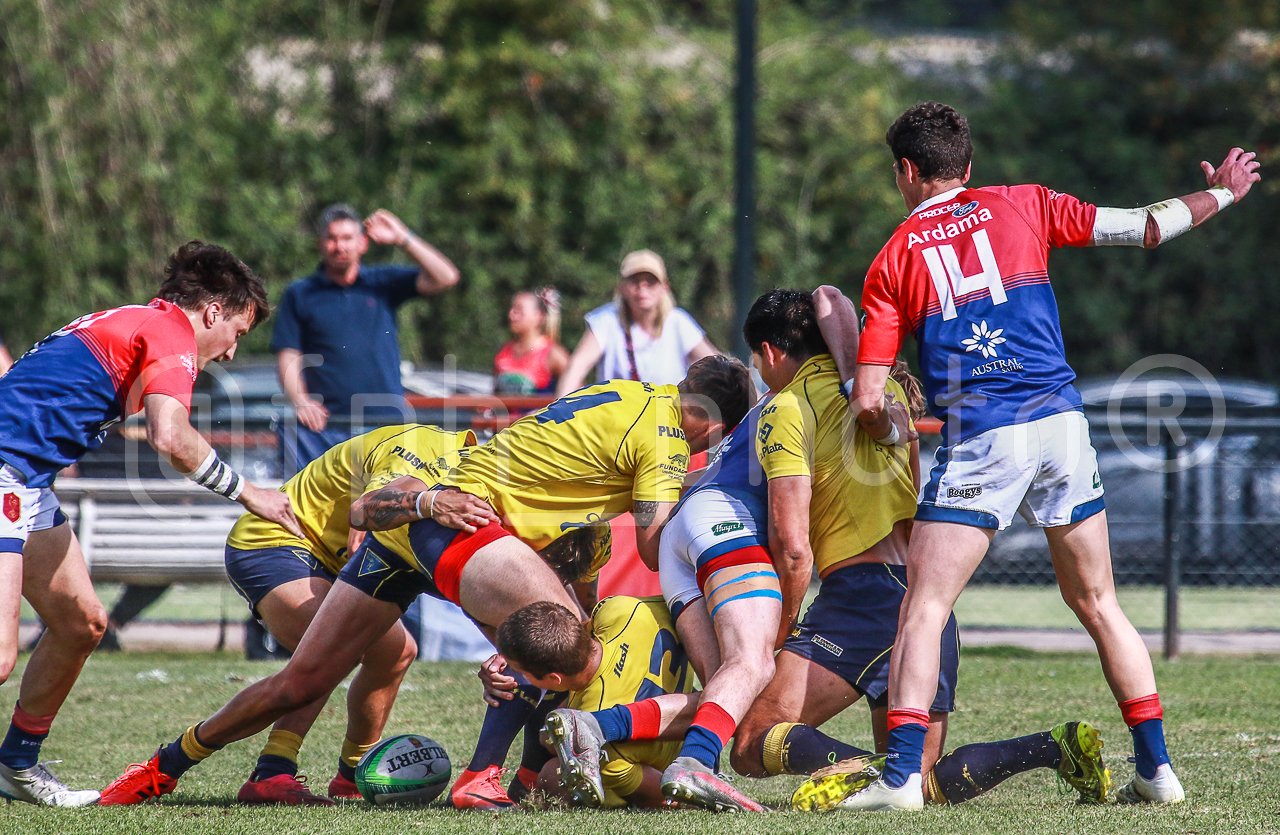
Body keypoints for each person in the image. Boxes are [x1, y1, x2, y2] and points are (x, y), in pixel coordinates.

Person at [842, 101, 1260, 811]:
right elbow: (1147, 225)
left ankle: (901, 778)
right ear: (968, 166)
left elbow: (868, 400)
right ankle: (1157, 770)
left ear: (906, 172)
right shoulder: (1027, 203)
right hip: (1063, 424)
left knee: (924, 605)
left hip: (984, 433)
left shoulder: (891, 261)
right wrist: (1221, 190)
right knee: (1099, 602)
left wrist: (892, 434)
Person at [97, 357, 754, 805]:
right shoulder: (669, 435)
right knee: (574, 649)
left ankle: (161, 768)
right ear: (714, 425)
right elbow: (654, 535)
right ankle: (487, 776)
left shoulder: (629, 391)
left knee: (301, 679)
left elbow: (585, 513)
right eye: (720, 442)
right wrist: (721, 503)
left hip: (430, 531)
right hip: (460, 525)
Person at [0, 241, 297, 807]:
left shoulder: (136, 321)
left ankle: (14, 765)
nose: (232, 353)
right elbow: (171, 438)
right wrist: (248, 493)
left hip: (26, 483)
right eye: (237, 332)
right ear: (212, 312)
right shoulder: (169, 334)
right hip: (4, 474)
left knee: (83, 624)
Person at [223, 423, 475, 805]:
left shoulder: (466, 471)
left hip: (328, 559)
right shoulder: (426, 448)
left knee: (396, 652)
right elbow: (371, 510)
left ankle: (352, 775)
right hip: (273, 539)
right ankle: (271, 773)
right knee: (333, 647)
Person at [272, 204, 460, 475]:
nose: (340, 246)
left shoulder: (381, 282)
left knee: (389, 511)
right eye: (332, 238)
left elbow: (446, 277)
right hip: (326, 427)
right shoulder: (300, 293)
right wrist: (300, 400)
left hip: (385, 423)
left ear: (363, 243)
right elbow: (288, 354)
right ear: (320, 244)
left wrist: (404, 237)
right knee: (322, 513)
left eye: (348, 238)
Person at [500, 598, 698, 809]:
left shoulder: (595, 740)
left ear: (554, 678)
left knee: (552, 774)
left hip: (680, 765)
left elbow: (669, 796)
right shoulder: (619, 609)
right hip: (702, 734)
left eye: (522, 673)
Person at [556, 250, 718, 396]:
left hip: (668, 418)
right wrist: (557, 414)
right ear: (622, 287)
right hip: (618, 419)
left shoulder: (679, 322)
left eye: (650, 281)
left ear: (664, 287)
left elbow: (716, 366)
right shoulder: (605, 320)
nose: (642, 288)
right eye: (635, 281)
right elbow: (577, 367)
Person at [494, 288, 569, 395]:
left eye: (518, 311)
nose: (511, 315)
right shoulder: (504, 350)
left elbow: (578, 395)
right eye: (512, 309)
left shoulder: (553, 355)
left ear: (538, 315)